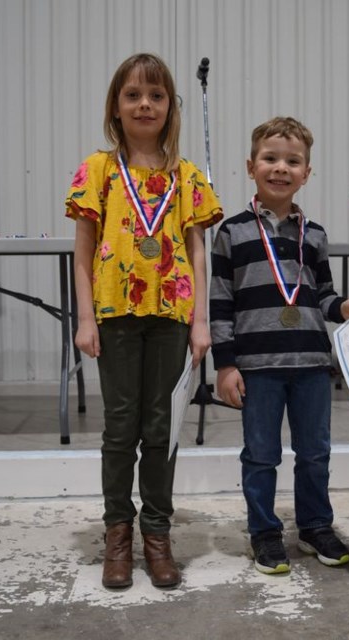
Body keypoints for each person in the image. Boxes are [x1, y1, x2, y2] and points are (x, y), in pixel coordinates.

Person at [65, 53, 222, 590]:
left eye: (156, 96)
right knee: (119, 429)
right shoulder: (99, 170)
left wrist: (202, 321)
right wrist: (84, 319)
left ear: (170, 107)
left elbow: (199, 254)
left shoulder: (187, 176)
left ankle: (157, 534)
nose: (145, 104)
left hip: (172, 316)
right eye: (133, 95)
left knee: (162, 430)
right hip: (115, 315)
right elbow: (82, 252)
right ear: (116, 106)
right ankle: (117, 534)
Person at [210, 117, 349, 575]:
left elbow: (322, 296)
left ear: (307, 172)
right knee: (261, 455)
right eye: (270, 158)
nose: (281, 168)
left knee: (315, 453)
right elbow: (220, 301)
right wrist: (225, 365)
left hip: (313, 364)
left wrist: (346, 307)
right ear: (251, 165)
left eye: (292, 161)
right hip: (257, 367)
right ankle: (263, 531)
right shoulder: (232, 232)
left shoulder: (313, 235)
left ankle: (316, 526)